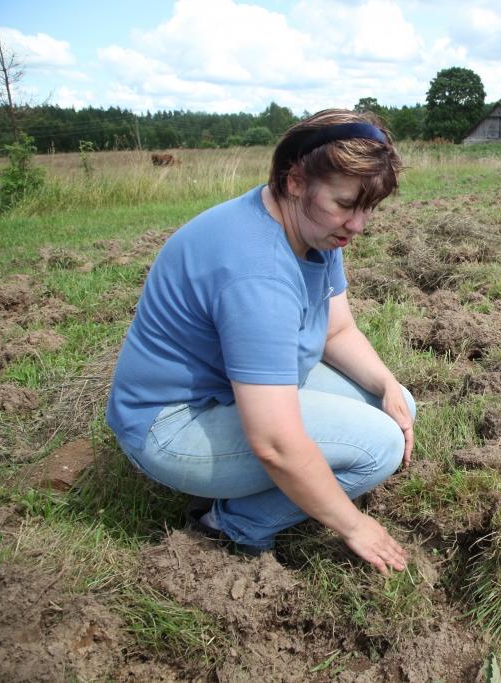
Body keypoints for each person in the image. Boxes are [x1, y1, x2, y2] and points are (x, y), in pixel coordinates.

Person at [107, 110, 414, 572]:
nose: (357, 225)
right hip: (173, 424)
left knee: (397, 405)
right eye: (345, 204)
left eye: (368, 208)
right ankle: (232, 524)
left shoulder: (313, 229)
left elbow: (337, 330)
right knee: (380, 447)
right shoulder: (257, 273)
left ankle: (249, 497)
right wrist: (353, 525)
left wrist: (388, 384)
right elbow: (274, 442)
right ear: (295, 180)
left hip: (231, 390)